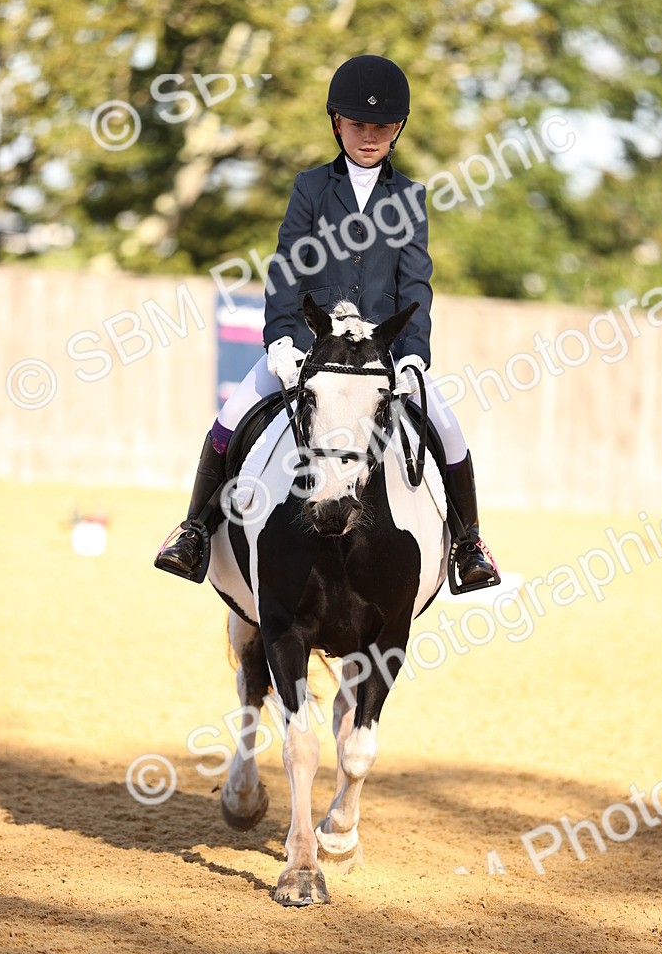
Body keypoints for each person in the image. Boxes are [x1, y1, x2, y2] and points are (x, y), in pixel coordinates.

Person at [155, 55, 499, 590]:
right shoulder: (311, 187)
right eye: (358, 125)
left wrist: (412, 352)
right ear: (336, 123)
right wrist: (282, 342)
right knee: (232, 416)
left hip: (378, 356)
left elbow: (416, 283)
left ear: (397, 129)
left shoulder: (409, 196)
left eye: (381, 127)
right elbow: (286, 267)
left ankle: (469, 546)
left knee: (448, 431)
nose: (369, 136)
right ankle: (194, 531)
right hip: (314, 350)